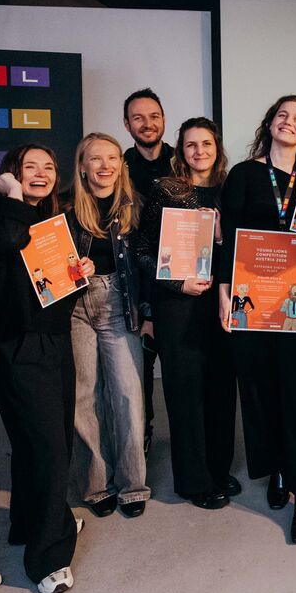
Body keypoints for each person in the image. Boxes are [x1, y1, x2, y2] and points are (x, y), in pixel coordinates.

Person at [0, 144, 90, 593]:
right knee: (47, 448)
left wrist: (79, 273)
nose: (41, 173)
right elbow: (8, 240)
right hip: (17, 345)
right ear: (10, 174)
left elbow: (51, 289)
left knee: (43, 441)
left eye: (49, 167)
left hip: (55, 342)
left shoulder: (52, 221)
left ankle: (30, 522)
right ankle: (49, 557)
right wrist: (12, 197)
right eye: (29, 167)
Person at [218, 95, 296, 543]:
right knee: (260, 387)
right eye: (282, 115)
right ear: (270, 124)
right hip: (252, 295)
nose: (288, 122)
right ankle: (278, 468)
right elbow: (228, 237)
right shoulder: (244, 174)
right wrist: (224, 293)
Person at [136, 117, 240, 511]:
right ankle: (194, 481)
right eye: (191, 144)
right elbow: (143, 251)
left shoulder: (231, 189)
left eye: (206, 143)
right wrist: (177, 284)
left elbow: (241, 248)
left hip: (221, 302)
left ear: (217, 148)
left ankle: (218, 468)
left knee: (221, 389)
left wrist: (221, 238)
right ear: (181, 150)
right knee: (186, 394)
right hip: (178, 306)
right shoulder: (166, 189)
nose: (199, 151)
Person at [67, 133, 149, 519]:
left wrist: (148, 312)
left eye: (112, 158)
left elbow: (147, 262)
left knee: (128, 395)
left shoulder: (136, 206)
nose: (105, 166)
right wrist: (71, 267)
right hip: (75, 306)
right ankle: (96, 483)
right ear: (82, 166)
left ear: (121, 165)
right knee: (84, 396)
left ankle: (133, 485)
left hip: (119, 301)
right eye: (96, 159)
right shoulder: (64, 207)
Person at [122, 88, 171, 454]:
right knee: (138, 371)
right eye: (138, 117)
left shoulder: (182, 161)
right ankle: (142, 436)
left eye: (154, 116)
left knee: (182, 371)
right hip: (134, 282)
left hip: (177, 283)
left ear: (163, 120)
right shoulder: (118, 167)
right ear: (127, 124)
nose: (147, 123)